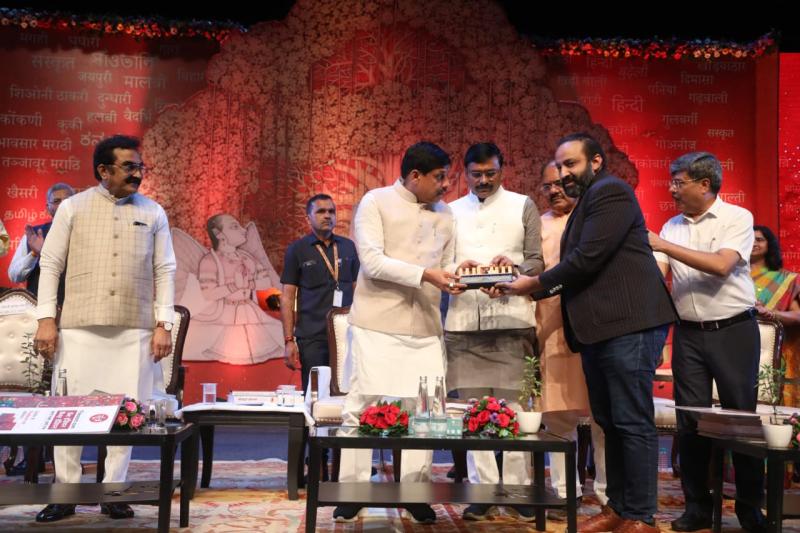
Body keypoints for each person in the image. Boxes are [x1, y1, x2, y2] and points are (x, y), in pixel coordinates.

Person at [492, 133, 676, 533]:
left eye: (571, 164)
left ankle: (641, 516)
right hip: (600, 330)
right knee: (610, 420)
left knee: (631, 420)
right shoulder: (586, 204)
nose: (563, 174)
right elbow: (576, 266)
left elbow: (586, 259)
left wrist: (532, 285)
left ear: (595, 162)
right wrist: (525, 284)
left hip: (628, 323)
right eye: (559, 166)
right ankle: (619, 508)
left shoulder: (611, 192)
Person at [33, 134, 176, 523]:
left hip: (134, 330)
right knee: (70, 414)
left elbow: (165, 269)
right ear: (103, 170)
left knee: (126, 414)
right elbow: (51, 264)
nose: (138, 174)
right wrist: (46, 320)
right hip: (79, 329)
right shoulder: (73, 208)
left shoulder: (153, 212)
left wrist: (164, 324)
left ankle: (113, 492)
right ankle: (65, 493)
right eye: (129, 167)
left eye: (140, 167)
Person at [333, 142, 463, 524]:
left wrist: (463, 273)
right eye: (440, 177)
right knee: (362, 406)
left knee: (426, 410)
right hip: (376, 323)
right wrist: (427, 275)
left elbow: (448, 264)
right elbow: (372, 262)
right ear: (414, 176)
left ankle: (414, 492)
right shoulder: (375, 202)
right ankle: (352, 490)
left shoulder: (447, 214)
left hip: (425, 325)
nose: (446, 186)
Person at [649, 152, 766, 533]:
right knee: (691, 422)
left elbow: (721, 265)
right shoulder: (671, 226)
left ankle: (750, 507)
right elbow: (657, 276)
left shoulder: (737, 218)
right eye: (671, 181)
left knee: (741, 419)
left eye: (679, 182)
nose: (672, 189)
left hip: (734, 331)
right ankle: (697, 506)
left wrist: (663, 246)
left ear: (705, 184)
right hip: (688, 334)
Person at [443, 142, 543, 522]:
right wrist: (458, 268)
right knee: (473, 410)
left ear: (503, 170)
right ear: (465, 173)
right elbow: (439, 262)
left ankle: (516, 489)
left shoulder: (523, 205)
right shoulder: (450, 211)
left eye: (491, 173)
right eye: (476, 174)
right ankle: (482, 491)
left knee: (514, 409)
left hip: (512, 318)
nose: (483, 180)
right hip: (464, 321)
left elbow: (537, 260)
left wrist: (513, 268)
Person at [536, 161, 608, 517]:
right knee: (557, 414)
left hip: (596, 326)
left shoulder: (597, 219)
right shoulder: (537, 225)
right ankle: (567, 493)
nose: (554, 191)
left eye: (561, 184)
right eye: (547, 186)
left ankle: (609, 496)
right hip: (551, 326)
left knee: (604, 416)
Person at [280, 194, 359, 393]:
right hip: (313, 336)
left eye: (331, 211)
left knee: (347, 391)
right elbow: (287, 297)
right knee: (316, 394)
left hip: (347, 334)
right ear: (308, 218)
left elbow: (359, 289)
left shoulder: (348, 247)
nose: (327, 216)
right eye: (321, 211)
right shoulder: (297, 250)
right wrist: (289, 341)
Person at [751, 225, 800, 406]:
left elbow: (797, 315)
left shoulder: (785, 279)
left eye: (759, 239)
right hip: (733, 346)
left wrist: (771, 313)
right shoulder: (731, 276)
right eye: (749, 239)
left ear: (769, 245)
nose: (753, 243)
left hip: (772, 353)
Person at [8, 183, 75, 306]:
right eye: (56, 201)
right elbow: (14, 276)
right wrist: (34, 254)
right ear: (48, 208)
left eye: (67, 200)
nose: (62, 204)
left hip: (76, 306)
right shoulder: (34, 235)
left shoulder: (86, 233)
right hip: (39, 307)